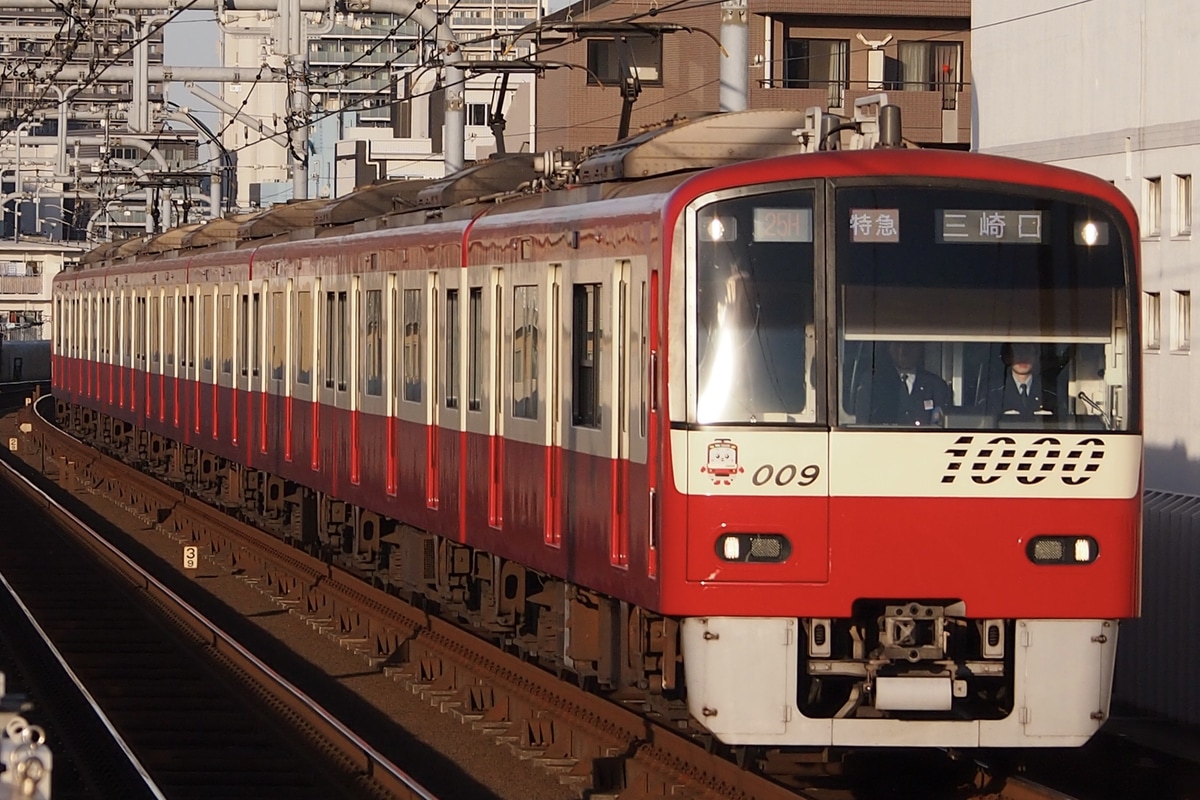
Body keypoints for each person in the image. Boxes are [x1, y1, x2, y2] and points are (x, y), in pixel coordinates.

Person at [853, 341, 951, 426]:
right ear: (889, 348)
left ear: (919, 348)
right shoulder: (873, 382)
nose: (903, 351)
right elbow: (862, 422)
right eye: (897, 345)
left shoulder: (936, 385)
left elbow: (945, 422)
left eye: (910, 345)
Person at [981, 342, 1058, 421]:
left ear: (1036, 356)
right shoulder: (993, 393)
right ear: (1007, 357)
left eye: (1027, 351)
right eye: (1017, 351)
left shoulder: (1050, 392)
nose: (1023, 357)